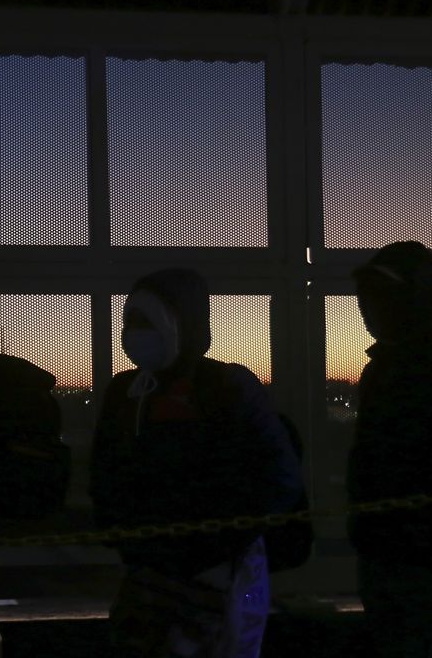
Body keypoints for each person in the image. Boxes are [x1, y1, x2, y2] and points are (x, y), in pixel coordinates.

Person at [90, 268, 301, 657]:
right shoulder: (126, 392)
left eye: (146, 322)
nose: (133, 332)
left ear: (182, 325)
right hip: (148, 573)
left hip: (219, 576)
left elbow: (277, 480)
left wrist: (215, 544)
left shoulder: (229, 388)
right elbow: (105, 473)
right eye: (129, 321)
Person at [348, 241, 432, 657]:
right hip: (393, 558)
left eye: (379, 297)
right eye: (365, 299)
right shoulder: (390, 366)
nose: (368, 309)